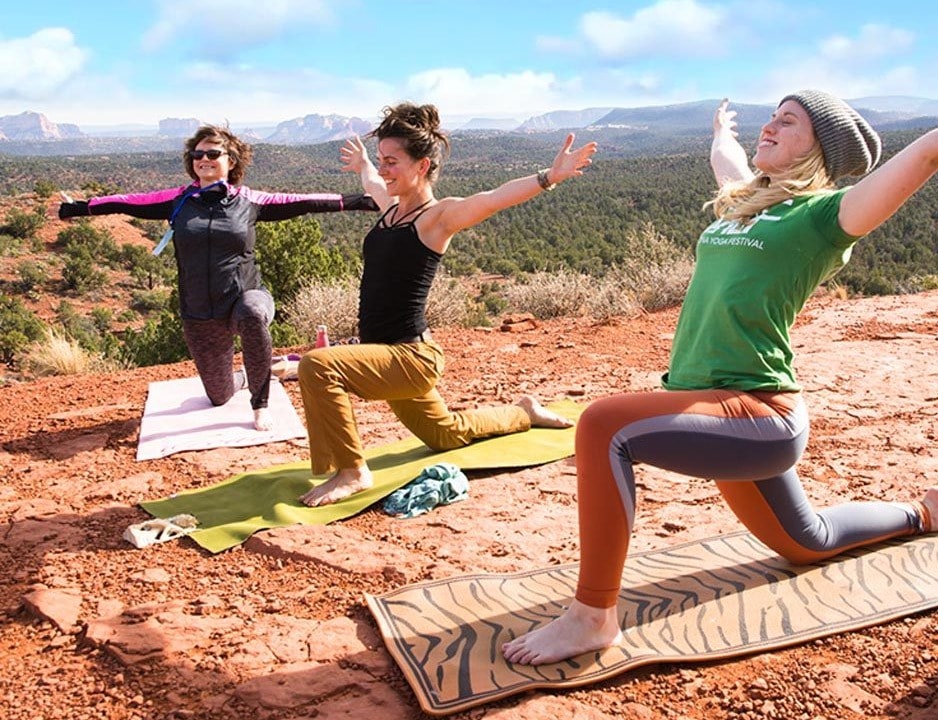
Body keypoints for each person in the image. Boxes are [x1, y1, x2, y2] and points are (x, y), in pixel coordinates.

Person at [502, 63, 938, 666]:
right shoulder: (744, 202)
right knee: (808, 543)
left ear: (820, 147)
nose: (770, 126)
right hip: (710, 409)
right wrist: (720, 130)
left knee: (603, 425)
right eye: (771, 116)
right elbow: (724, 160)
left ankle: (593, 617)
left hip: (759, 414)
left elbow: (931, 152)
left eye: (789, 120)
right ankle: (929, 512)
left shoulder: (826, 218)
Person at [296, 102, 598, 507]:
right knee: (446, 434)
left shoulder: (436, 218)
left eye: (392, 162)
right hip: (385, 354)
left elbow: (493, 198)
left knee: (318, 365)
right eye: (383, 161)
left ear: (422, 167)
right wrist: (366, 164)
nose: (384, 170)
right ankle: (525, 412)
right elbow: (370, 182)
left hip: (410, 356)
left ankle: (352, 471)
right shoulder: (389, 208)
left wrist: (549, 177)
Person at [58, 125, 379, 432]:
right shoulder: (178, 200)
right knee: (219, 396)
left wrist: (365, 201)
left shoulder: (250, 200)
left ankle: (260, 404)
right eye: (198, 155)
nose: (204, 160)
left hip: (246, 295)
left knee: (253, 315)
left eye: (213, 154)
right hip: (199, 310)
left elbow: (306, 201)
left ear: (231, 161)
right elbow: (125, 202)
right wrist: (76, 208)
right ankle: (263, 371)